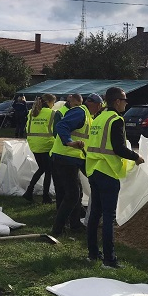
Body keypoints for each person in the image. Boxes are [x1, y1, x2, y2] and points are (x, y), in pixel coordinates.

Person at [86, 87, 144, 268]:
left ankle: (93, 253)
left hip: (94, 170)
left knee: (95, 214)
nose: (126, 103)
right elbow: (118, 148)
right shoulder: (116, 120)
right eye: (124, 100)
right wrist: (136, 157)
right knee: (109, 217)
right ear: (117, 101)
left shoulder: (98, 118)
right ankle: (109, 260)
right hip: (108, 172)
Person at [50, 94, 87, 236]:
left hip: (69, 157)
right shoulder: (78, 112)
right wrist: (70, 142)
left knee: (74, 192)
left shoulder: (80, 113)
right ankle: (59, 229)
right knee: (70, 194)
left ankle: (73, 224)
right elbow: (59, 129)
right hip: (65, 156)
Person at [23, 94, 57, 204]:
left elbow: (27, 128)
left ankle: (29, 191)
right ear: (49, 102)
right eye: (53, 103)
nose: (53, 105)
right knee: (48, 171)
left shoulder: (31, 113)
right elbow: (55, 130)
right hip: (47, 145)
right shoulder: (52, 113)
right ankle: (45, 197)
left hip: (34, 144)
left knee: (42, 168)